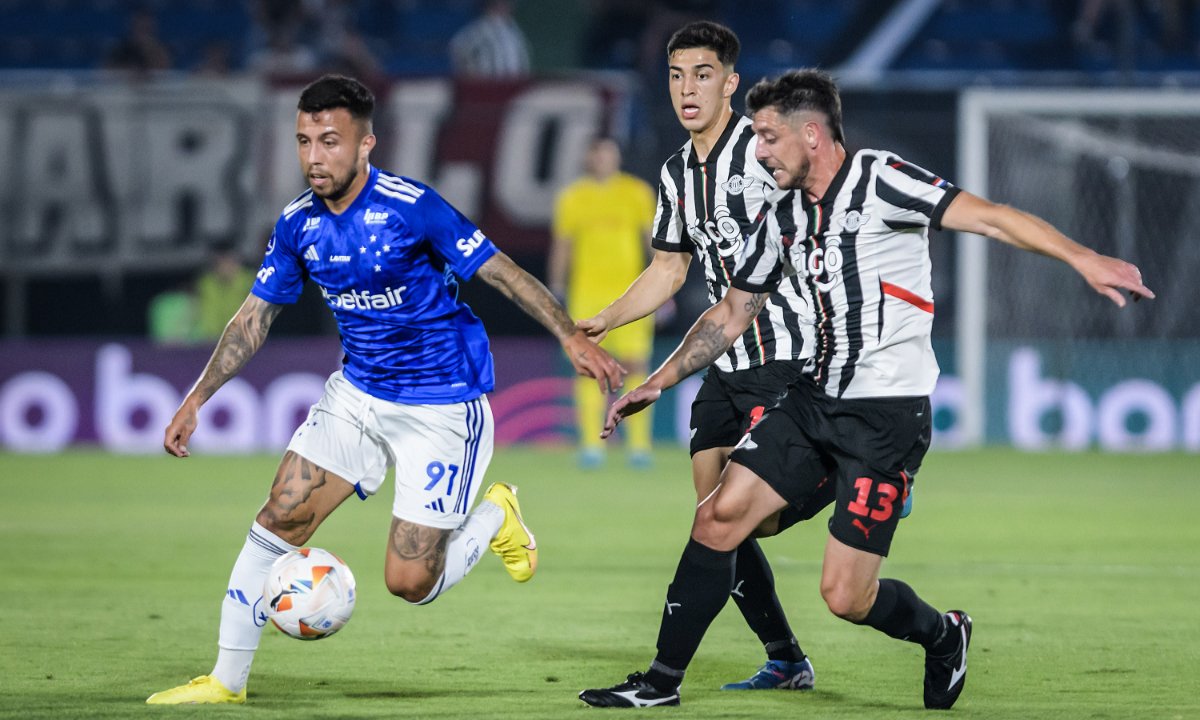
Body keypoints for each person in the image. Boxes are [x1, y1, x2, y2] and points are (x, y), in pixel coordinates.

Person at [579, 68, 1154, 710]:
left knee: (845, 597)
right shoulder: (784, 212)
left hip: (886, 420)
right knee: (718, 518)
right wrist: (658, 383)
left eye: (769, 138)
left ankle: (943, 635)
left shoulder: (882, 178)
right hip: (812, 400)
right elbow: (734, 311)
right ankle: (660, 685)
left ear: (813, 134)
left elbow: (988, 219)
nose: (759, 150)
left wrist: (1082, 258)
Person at [147, 74, 624, 705]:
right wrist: (197, 396)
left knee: (408, 581)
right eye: (304, 142)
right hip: (358, 394)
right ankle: (225, 682)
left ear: (366, 143)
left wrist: (569, 335)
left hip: (443, 404)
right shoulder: (297, 225)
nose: (315, 157)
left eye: (330, 141)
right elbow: (253, 318)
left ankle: (496, 515)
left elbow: (501, 272)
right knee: (279, 516)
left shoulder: (411, 206)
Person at [577, 21, 817, 693]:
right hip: (724, 367)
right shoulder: (676, 172)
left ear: (731, 83)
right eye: (678, 75)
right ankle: (787, 659)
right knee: (719, 521)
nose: (688, 88)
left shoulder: (767, 155)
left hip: (787, 358)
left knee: (746, 517)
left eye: (703, 74)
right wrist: (607, 316)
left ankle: (868, 467)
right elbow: (668, 270)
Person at [549, 137, 656, 468]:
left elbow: (651, 241)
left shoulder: (637, 192)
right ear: (589, 158)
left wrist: (661, 288)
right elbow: (563, 245)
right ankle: (591, 445)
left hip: (631, 295)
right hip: (587, 295)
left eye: (609, 153)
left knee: (635, 365)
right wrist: (556, 287)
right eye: (597, 154)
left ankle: (639, 446)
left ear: (617, 157)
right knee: (587, 368)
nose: (603, 159)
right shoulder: (573, 197)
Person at [448, 0, 531, 79]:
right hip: (486, 87)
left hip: (514, 87)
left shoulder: (513, 29)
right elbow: (458, 47)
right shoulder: (479, 29)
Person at [195, 242, 257, 341]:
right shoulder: (206, 284)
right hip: (210, 341)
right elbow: (207, 314)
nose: (225, 266)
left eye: (229, 261)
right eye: (220, 262)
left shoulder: (252, 283)